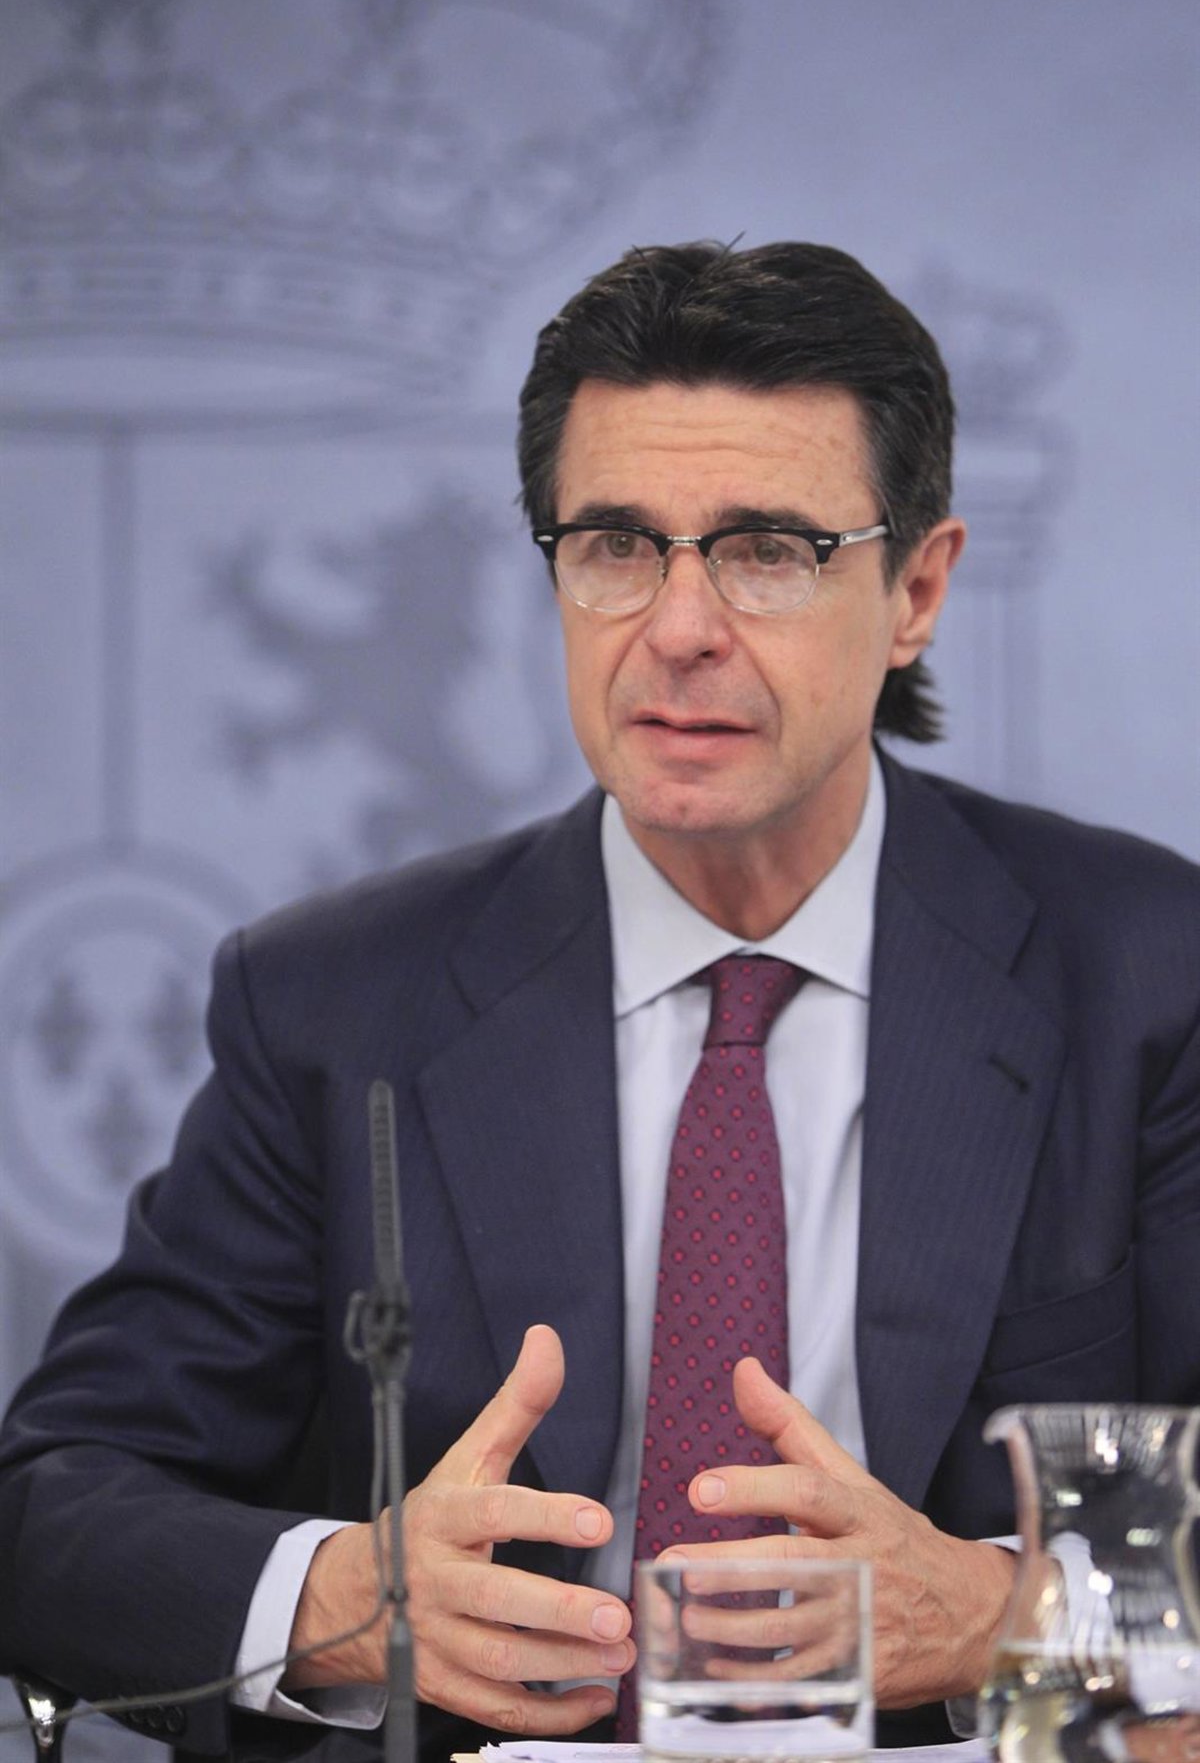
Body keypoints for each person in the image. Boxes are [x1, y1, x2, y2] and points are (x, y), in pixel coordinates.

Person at [1, 241, 1198, 1763]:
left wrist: (1016, 1615)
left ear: (917, 589)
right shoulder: (336, 1006)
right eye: (618, 544)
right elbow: (50, 1512)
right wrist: (347, 1597)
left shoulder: (1146, 975)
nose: (679, 627)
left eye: (769, 550)